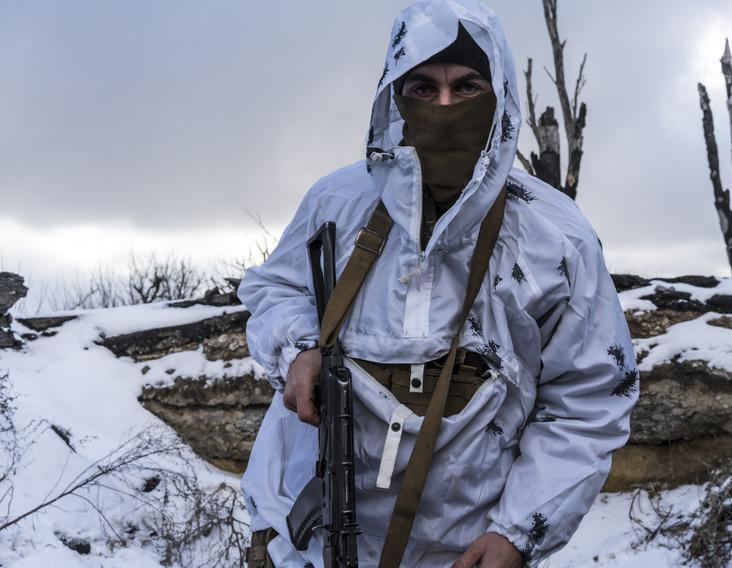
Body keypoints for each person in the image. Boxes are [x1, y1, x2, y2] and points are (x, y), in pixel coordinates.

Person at [238, 1, 639, 566]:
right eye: (423, 88)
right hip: (301, 539)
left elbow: (589, 401)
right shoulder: (338, 202)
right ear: (394, 95)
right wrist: (298, 349)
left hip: (459, 553)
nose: (445, 107)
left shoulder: (554, 235)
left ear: (498, 94)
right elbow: (274, 290)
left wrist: (519, 534)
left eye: (467, 87)